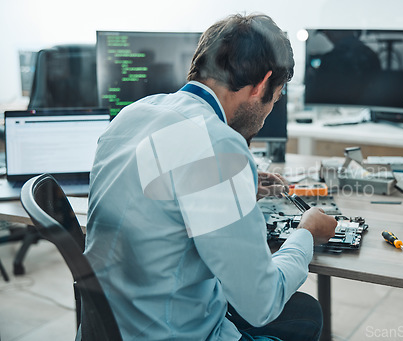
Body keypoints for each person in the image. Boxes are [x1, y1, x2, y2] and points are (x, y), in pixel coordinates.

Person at [85, 13, 337, 341]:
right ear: (262, 84)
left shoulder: (132, 114)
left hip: (110, 326)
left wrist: (239, 186)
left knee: (300, 311)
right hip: (177, 333)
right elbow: (262, 303)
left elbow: (163, 195)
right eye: (273, 100)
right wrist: (306, 232)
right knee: (304, 313)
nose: (266, 115)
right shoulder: (220, 145)